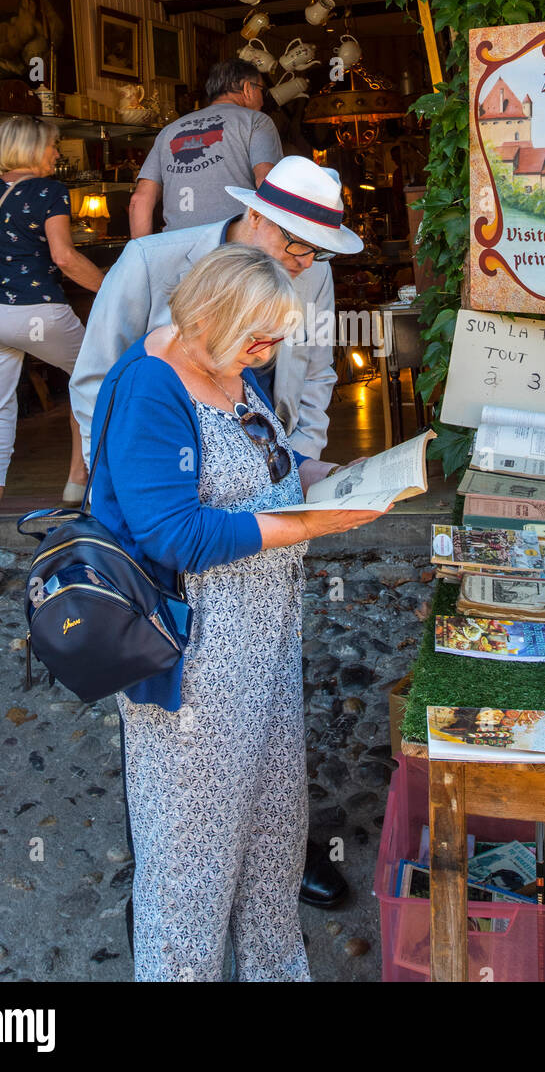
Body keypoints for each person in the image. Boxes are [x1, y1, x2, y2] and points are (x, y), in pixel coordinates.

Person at [89, 246, 388, 980]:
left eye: (276, 336)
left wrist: (340, 478)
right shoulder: (151, 387)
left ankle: (274, 971)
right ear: (209, 317)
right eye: (258, 337)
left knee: (271, 835)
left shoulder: (231, 365)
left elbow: (271, 465)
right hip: (196, 655)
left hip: (263, 642)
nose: (269, 350)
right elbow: (174, 535)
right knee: (190, 860)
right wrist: (309, 525)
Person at [71, 154, 363, 466]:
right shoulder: (148, 261)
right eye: (297, 242)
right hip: (168, 459)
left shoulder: (316, 272)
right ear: (255, 215)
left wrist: (297, 463)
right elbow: (96, 377)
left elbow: (317, 373)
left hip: (277, 458)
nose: (306, 261)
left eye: (318, 249)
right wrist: (109, 472)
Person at [0, 116, 104, 601]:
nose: (57, 154)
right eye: (54, 146)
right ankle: (78, 480)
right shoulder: (50, 192)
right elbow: (64, 257)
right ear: (34, 149)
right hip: (39, 311)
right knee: (92, 378)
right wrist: (112, 289)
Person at [129, 58, 283, 236]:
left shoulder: (169, 131)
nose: (263, 101)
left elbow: (139, 200)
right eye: (262, 91)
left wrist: (141, 250)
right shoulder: (256, 121)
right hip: (231, 245)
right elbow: (267, 184)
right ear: (248, 88)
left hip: (176, 245)